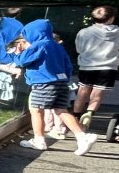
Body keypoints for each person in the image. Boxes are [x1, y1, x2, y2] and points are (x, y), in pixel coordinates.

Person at [8, 19, 96, 155]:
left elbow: (22, 61)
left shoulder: (38, 45)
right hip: (60, 83)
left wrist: (17, 53)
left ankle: (39, 140)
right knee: (62, 110)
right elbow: (68, 65)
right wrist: (64, 78)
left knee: (36, 110)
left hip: (43, 84)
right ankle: (82, 136)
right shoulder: (57, 46)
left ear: (33, 33)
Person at [72, 6, 119, 126]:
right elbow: (118, 45)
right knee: (98, 93)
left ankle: (76, 116)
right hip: (108, 67)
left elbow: (79, 49)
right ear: (110, 19)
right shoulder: (116, 31)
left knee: (82, 92)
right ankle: (89, 113)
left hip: (87, 66)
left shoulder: (84, 32)